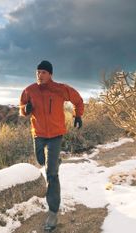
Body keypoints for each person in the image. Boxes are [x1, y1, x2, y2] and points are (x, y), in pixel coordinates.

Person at [19, 60, 84, 231]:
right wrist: (26, 108)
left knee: (51, 173)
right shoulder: (29, 90)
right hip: (38, 135)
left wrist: (78, 116)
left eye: (44, 72)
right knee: (41, 161)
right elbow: (21, 108)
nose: (40, 75)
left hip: (55, 135)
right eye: (38, 72)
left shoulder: (60, 89)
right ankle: (54, 160)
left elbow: (78, 100)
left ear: (50, 74)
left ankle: (53, 212)